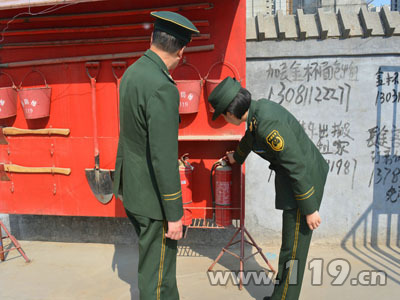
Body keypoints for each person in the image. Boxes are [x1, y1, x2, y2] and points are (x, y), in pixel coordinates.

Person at [208, 77, 329, 300]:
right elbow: (249, 137)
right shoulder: (257, 113)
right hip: (297, 179)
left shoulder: (267, 125)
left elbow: (296, 166)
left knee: (292, 252)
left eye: (223, 115)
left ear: (231, 113)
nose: (225, 119)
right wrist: (237, 157)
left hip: (304, 185)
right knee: (288, 248)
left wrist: (310, 209)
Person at [112, 11, 199, 300]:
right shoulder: (163, 86)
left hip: (134, 189)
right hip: (153, 199)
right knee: (158, 277)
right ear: (182, 50)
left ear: (152, 38)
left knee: (154, 266)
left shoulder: (132, 73)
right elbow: (163, 157)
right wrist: (174, 214)